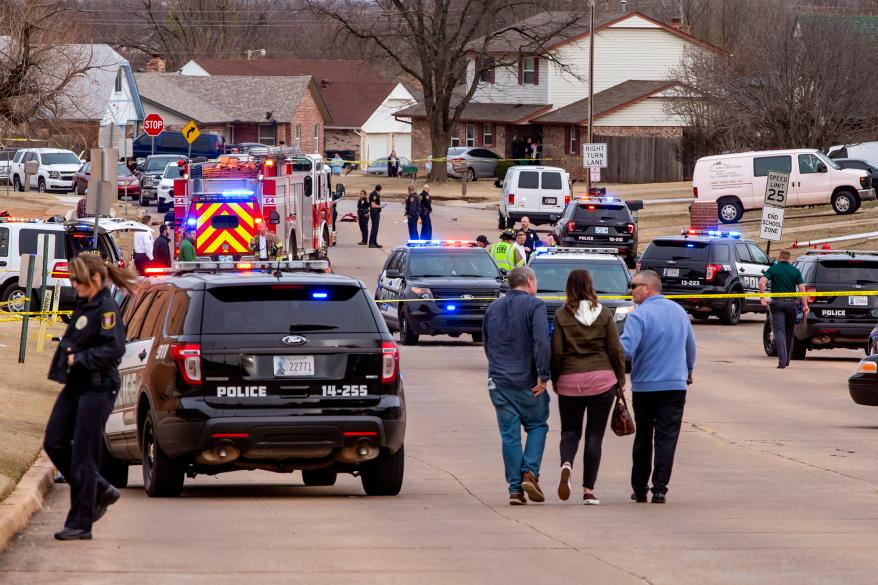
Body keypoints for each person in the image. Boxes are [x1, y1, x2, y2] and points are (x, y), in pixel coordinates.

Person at [44, 254, 138, 540]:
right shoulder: (86, 304)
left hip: (97, 387)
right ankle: (99, 488)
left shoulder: (106, 309)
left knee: (84, 454)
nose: (74, 285)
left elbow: (114, 349)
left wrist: (80, 359)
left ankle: (81, 522)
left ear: (96, 280)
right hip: (76, 386)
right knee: (55, 442)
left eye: (79, 281)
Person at [551, 270, 626, 505]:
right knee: (595, 435)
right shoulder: (603, 313)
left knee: (570, 431)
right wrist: (620, 378)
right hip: (602, 380)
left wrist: (555, 378)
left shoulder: (562, 315)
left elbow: (557, 352)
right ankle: (588, 491)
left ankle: (566, 463)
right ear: (591, 286)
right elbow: (615, 349)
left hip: (570, 380)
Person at [621, 270, 696, 504]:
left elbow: (625, 350)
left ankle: (640, 487)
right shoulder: (679, 312)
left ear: (649, 288)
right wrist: (689, 369)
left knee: (643, 436)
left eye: (634, 286)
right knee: (667, 437)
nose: (630, 291)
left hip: (645, 386)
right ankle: (660, 488)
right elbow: (690, 345)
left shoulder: (638, 316)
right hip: (675, 384)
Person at [482, 266, 551, 505]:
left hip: (499, 382)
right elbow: (542, 341)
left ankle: (514, 490)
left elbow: (487, 343)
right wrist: (543, 374)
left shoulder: (493, 307)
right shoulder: (535, 306)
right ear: (529, 282)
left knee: (509, 437)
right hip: (527, 381)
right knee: (537, 426)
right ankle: (529, 473)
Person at [759, 249, 809, 368]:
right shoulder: (795, 271)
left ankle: (782, 361)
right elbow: (802, 290)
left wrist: (762, 298)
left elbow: (762, 283)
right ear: (789, 258)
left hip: (778, 304)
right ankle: (786, 360)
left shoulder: (774, 269)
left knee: (779, 332)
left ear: (779, 257)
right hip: (792, 305)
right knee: (789, 332)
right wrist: (805, 306)